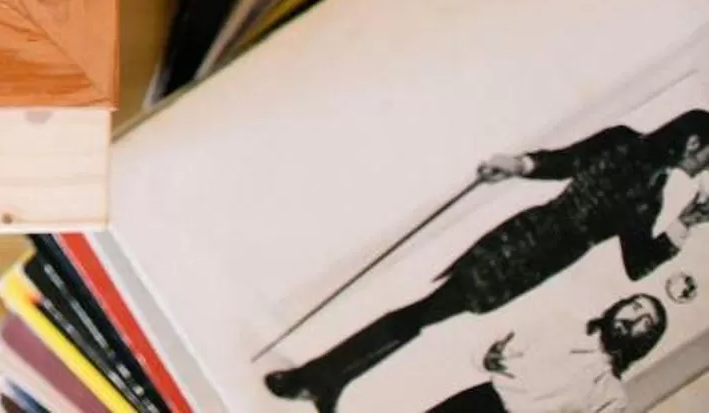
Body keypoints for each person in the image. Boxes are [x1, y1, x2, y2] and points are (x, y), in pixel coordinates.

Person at [268, 110, 709, 413]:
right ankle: (319, 377)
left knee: (424, 315)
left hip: (527, 245)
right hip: (526, 252)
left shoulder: (633, 161)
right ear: (693, 142)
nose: (706, 169)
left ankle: (328, 378)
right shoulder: (644, 188)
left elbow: (572, 171)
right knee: (422, 314)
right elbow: (634, 257)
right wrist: (519, 164)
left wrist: (522, 164)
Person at [421, 294, 668, 413]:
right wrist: (488, 355)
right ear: (620, 305)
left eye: (645, 322)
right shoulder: (561, 324)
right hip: (481, 403)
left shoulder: (613, 397)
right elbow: (497, 348)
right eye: (635, 306)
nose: (633, 319)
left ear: (645, 340)